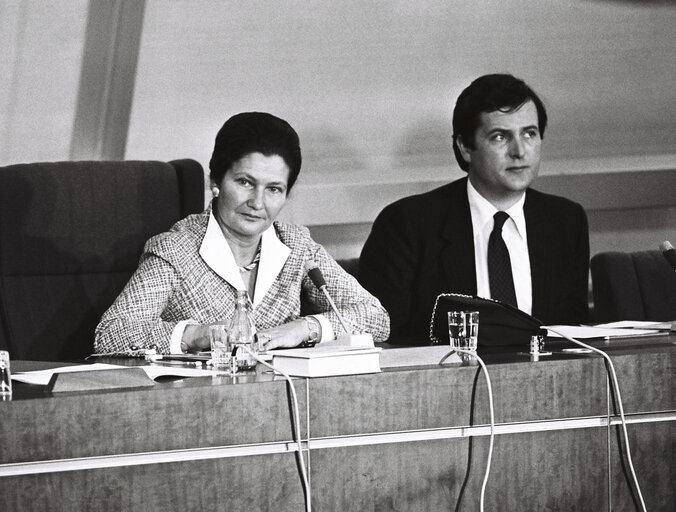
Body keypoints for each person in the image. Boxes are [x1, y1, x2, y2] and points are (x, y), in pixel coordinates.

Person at [95, 112, 389, 355]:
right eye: (246, 183)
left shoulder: (298, 247)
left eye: (274, 189)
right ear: (216, 181)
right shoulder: (177, 250)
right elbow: (111, 334)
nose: (257, 203)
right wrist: (196, 335)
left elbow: (376, 317)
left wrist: (303, 328)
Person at [359, 74, 589, 342]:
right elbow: (385, 336)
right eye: (500, 137)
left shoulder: (565, 221)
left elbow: (573, 333)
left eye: (529, 134)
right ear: (465, 147)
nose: (520, 151)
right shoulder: (407, 224)